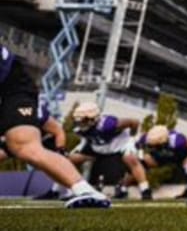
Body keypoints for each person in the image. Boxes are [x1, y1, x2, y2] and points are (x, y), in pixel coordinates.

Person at [0, 46, 109, 208]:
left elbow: (57, 129)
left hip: (13, 90)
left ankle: (84, 190)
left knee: (25, 147)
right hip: (9, 104)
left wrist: (60, 149)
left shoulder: (36, 111)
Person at [69, 100, 151, 199]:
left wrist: (132, 138)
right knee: (70, 160)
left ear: (94, 119)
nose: (80, 123)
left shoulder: (108, 124)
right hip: (98, 146)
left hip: (119, 144)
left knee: (131, 159)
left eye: (83, 120)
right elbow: (87, 137)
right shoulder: (78, 128)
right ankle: (60, 190)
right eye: (78, 120)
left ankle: (145, 190)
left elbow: (134, 122)